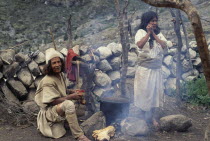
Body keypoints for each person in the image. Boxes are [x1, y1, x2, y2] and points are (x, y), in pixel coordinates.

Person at [34, 48, 90, 141]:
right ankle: (79, 136)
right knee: (69, 104)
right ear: (49, 66)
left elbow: (61, 90)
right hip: (49, 112)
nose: (57, 65)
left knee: (78, 107)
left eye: (58, 62)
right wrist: (71, 97)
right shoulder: (48, 80)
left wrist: (72, 91)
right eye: (54, 63)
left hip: (56, 108)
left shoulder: (60, 75)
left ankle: (67, 123)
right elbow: (52, 101)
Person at [134, 11, 172, 127]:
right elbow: (140, 45)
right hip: (145, 70)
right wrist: (148, 34)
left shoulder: (159, 33)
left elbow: (164, 45)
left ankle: (153, 117)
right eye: (152, 21)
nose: (155, 23)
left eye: (156, 20)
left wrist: (154, 34)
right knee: (144, 92)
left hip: (156, 69)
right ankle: (144, 116)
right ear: (147, 21)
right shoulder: (140, 32)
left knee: (155, 92)